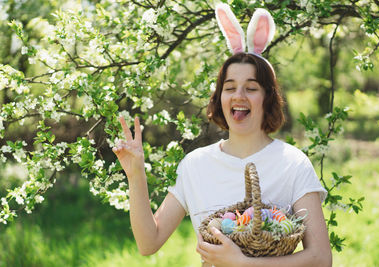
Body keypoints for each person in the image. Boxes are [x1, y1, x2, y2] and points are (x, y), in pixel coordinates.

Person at [112, 4, 332, 267]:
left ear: (268, 98)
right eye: (230, 88)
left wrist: (244, 264)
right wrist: (136, 175)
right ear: (219, 98)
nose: (239, 96)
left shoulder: (292, 163)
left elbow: (320, 258)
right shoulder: (195, 165)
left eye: (251, 88)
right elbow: (149, 242)